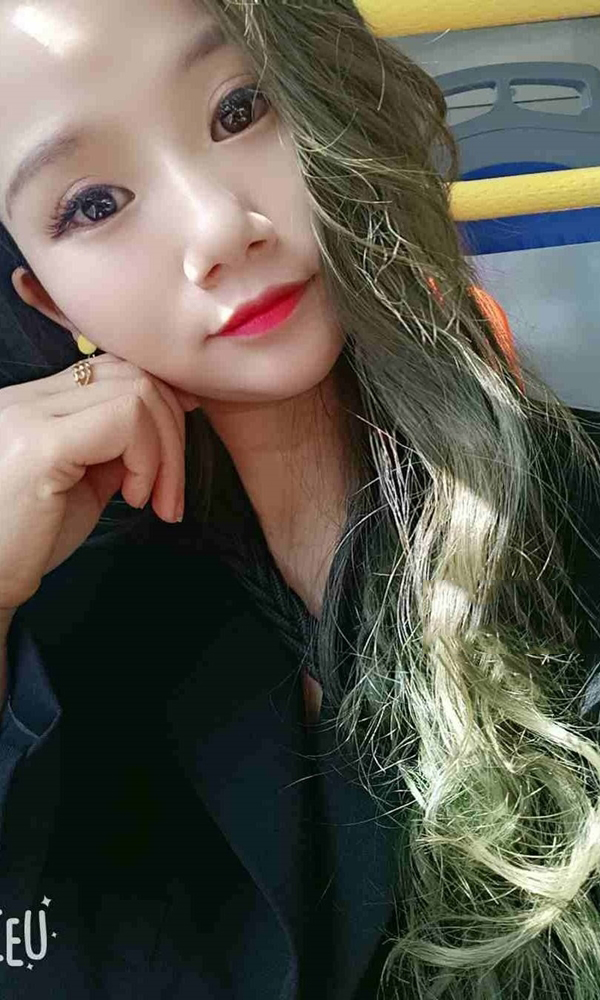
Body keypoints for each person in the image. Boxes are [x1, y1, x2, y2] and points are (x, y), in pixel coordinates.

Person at [1, 0, 600, 997]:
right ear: (49, 301)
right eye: (95, 204)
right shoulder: (51, 621)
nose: (218, 229)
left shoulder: (576, 500)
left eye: (241, 109)